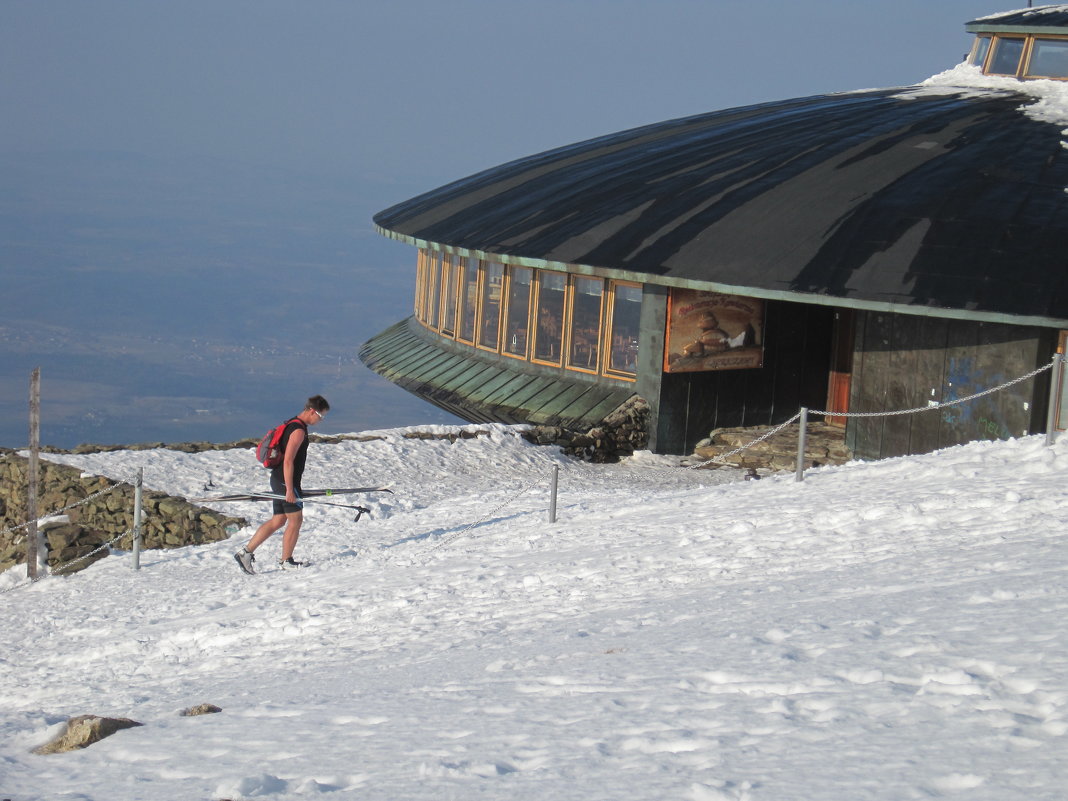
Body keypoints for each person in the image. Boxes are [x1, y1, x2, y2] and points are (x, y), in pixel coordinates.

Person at [234, 395, 330, 574]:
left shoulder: (292, 423)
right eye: (320, 416)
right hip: (285, 481)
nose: (321, 420)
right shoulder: (298, 430)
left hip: (279, 479)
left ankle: (245, 553)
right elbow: (288, 461)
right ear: (311, 411)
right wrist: (289, 489)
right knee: (296, 519)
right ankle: (286, 560)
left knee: (279, 520)